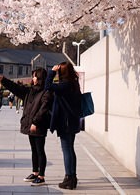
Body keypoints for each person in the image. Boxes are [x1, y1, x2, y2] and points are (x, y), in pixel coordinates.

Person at [0, 68, 52, 186]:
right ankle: (35, 172)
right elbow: (16, 88)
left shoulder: (46, 92)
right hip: (29, 125)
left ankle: (42, 176)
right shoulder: (30, 91)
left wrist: (36, 122)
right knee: (34, 150)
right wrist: (4, 81)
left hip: (39, 125)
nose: (33, 78)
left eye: (34, 76)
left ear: (40, 78)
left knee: (40, 150)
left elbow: (44, 109)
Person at [46, 62, 82, 190]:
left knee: (67, 150)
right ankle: (73, 178)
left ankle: (69, 178)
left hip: (65, 122)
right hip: (73, 121)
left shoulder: (64, 85)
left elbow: (47, 86)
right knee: (70, 149)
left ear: (62, 72)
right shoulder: (74, 84)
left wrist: (52, 72)